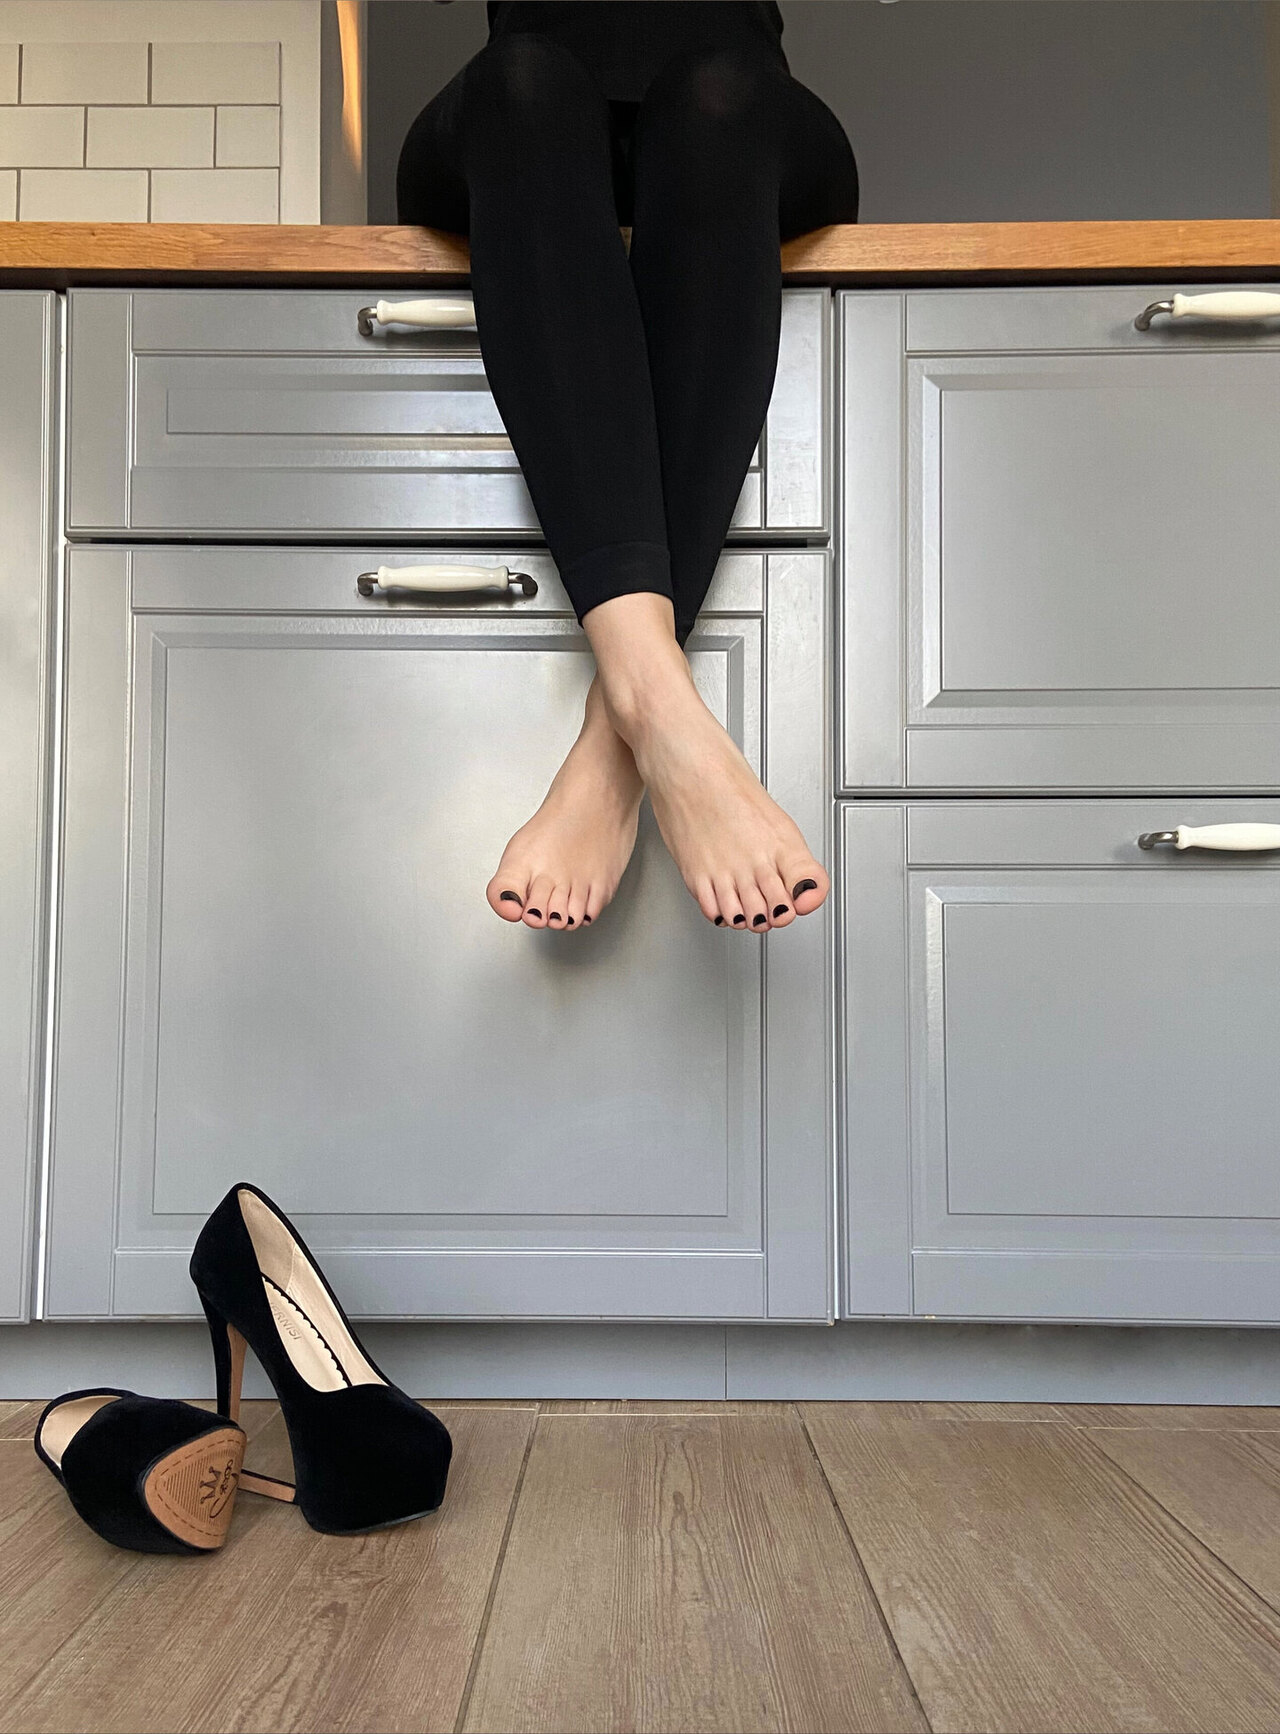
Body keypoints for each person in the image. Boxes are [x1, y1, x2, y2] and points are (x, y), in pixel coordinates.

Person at [397, 1, 860, 934]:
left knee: (715, 92)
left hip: (741, 120)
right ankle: (658, 712)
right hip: (521, 121)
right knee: (526, 82)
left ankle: (617, 744)